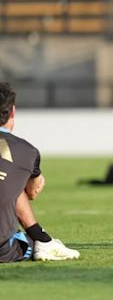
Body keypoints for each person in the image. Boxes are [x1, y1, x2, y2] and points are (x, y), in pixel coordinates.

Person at [0, 82, 80, 263]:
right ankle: (43, 240)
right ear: (12, 112)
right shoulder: (27, 151)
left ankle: (43, 240)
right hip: (3, 250)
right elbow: (33, 191)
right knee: (14, 183)